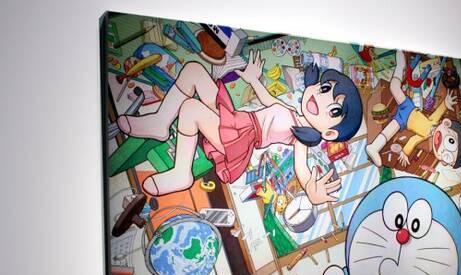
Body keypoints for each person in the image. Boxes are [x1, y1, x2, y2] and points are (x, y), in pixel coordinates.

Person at [117, 50, 363, 205]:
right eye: (324, 89)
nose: (321, 98)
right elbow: (267, 99)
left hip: (240, 140)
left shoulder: (301, 138)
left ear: (330, 133)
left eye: (334, 110)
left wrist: (311, 190)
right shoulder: (291, 109)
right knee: (193, 70)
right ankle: (160, 122)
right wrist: (253, 78)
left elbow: (302, 169)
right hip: (237, 120)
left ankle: (181, 173)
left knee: (191, 109)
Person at [366, 50, 461, 170]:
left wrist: (405, 152)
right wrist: (446, 103)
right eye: (450, 141)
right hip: (408, 108)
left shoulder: (425, 136)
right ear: (446, 123)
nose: (442, 149)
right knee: (394, 87)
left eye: (446, 158)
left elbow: (413, 140)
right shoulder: (434, 122)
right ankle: (400, 66)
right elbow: (438, 112)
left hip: (403, 121)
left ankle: (374, 147)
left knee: (388, 132)